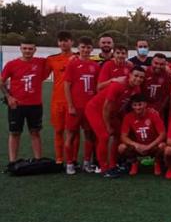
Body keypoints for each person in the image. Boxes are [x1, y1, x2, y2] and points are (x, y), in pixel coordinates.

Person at [85, 66, 146, 177]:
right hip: (95, 109)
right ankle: (104, 168)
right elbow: (106, 107)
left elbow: (127, 105)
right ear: (130, 75)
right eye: (136, 76)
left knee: (119, 135)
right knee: (104, 136)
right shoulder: (118, 85)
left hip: (113, 112)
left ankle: (113, 165)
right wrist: (108, 125)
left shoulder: (137, 89)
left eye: (141, 77)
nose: (138, 79)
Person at [1, 41, 47, 162]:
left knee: (35, 132)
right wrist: (8, 97)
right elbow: (1, 81)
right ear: (20, 49)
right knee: (15, 133)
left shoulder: (41, 62)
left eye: (30, 49)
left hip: (35, 105)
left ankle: (38, 160)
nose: (27, 51)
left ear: (35, 50)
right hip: (17, 105)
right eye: (25, 48)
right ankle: (12, 161)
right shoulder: (12, 64)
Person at [64, 36, 101, 174]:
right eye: (83, 47)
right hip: (76, 106)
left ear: (92, 49)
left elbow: (98, 87)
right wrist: (70, 105)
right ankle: (69, 163)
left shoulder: (95, 66)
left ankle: (86, 162)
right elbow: (67, 85)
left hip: (89, 108)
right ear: (78, 48)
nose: (85, 50)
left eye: (88, 47)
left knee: (89, 135)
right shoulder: (72, 64)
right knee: (71, 135)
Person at [118, 94, 166, 176]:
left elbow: (162, 134)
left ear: (145, 104)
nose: (138, 107)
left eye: (140, 104)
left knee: (163, 146)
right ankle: (134, 163)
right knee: (121, 147)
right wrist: (136, 145)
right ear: (132, 106)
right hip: (138, 147)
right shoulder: (128, 117)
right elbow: (123, 136)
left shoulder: (154, 115)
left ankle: (157, 163)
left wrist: (149, 146)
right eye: (135, 105)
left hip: (152, 146)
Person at [45, 31, 74, 163]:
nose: (63, 43)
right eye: (61, 40)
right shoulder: (51, 59)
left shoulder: (78, 58)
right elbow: (40, 75)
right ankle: (59, 158)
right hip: (57, 101)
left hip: (73, 101)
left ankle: (72, 159)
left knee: (73, 131)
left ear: (71, 42)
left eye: (66, 40)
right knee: (58, 130)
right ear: (58, 43)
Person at [142, 53, 171, 118]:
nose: (158, 66)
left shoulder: (167, 76)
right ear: (151, 62)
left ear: (165, 64)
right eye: (156, 63)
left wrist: (159, 109)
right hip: (142, 109)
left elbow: (167, 96)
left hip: (158, 111)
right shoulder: (144, 73)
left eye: (161, 64)